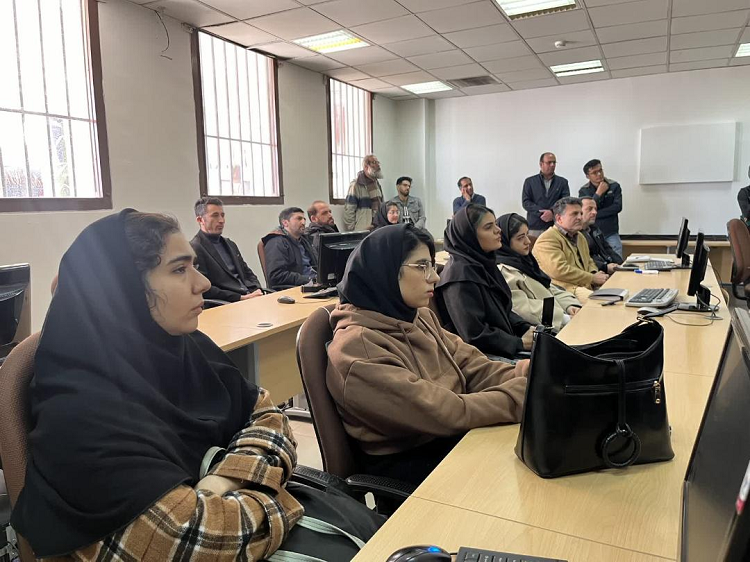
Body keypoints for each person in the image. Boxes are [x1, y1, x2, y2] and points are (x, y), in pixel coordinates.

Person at [10, 210, 383, 559]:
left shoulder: (182, 348)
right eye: (179, 269)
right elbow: (198, 541)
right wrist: (273, 488)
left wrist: (223, 481)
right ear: (122, 289)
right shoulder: (80, 417)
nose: (202, 283)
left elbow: (269, 416)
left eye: (195, 265)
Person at [326, 224, 528, 486]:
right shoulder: (356, 349)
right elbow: (446, 412)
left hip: (450, 438)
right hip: (414, 466)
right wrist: (520, 396)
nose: (435, 277)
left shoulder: (417, 316)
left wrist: (526, 373)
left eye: (431, 265)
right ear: (386, 271)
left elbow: (471, 365)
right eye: (422, 266)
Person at [436, 204, 536, 361]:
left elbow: (502, 310)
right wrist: (519, 343)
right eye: (489, 227)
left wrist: (524, 327)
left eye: (495, 224)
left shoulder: (483, 264)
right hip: (483, 358)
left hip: (502, 347)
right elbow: (474, 335)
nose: (498, 230)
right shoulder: (459, 276)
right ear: (469, 235)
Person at [496, 213, 581, 332]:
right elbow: (523, 308)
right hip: (545, 328)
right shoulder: (504, 271)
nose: (527, 241)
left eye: (527, 234)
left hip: (561, 319)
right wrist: (563, 318)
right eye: (520, 238)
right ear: (505, 241)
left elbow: (549, 288)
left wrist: (570, 306)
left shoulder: (526, 261)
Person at [532, 197, 608, 303]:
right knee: (603, 303)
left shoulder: (580, 236)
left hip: (584, 285)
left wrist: (595, 274)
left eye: (581, 213)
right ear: (559, 218)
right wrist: (592, 278)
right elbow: (559, 270)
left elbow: (589, 261)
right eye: (574, 214)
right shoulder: (547, 239)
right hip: (564, 290)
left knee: (619, 293)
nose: (580, 217)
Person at [190, 197, 263, 302]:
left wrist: (258, 290)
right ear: (200, 220)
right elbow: (203, 288)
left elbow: (247, 273)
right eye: (215, 215)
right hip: (227, 302)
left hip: (249, 297)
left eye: (222, 215)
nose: (221, 220)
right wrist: (240, 298)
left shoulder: (230, 244)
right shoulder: (195, 248)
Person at [262, 207, 318, 290]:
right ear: (285, 223)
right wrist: (308, 279)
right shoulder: (276, 242)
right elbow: (276, 275)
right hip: (297, 288)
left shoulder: (304, 241)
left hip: (313, 284)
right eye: (299, 219)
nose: (303, 222)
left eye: (304, 219)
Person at [578, 159, 623, 256]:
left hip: (610, 231)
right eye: (594, 173)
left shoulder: (614, 186)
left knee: (617, 258)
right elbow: (586, 211)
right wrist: (598, 193)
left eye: (600, 170)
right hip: (593, 232)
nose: (599, 174)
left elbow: (617, 207)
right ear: (587, 176)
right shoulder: (584, 190)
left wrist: (596, 213)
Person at [522, 152, 570, 237]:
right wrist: (542, 213)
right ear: (541, 164)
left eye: (554, 162)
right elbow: (526, 202)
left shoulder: (562, 182)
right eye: (549, 162)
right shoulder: (530, 182)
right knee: (534, 245)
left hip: (556, 225)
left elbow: (565, 201)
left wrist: (552, 212)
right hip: (535, 226)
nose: (552, 165)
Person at [580, 197, 623, 274]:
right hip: (596, 273)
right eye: (589, 209)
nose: (595, 212)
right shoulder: (575, 234)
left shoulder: (595, 229)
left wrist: (622, 264)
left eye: (595, 209)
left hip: (607, 268)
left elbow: (607, 249)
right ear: (578, 212)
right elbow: (586, 259)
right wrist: (605, 267)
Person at [343, 154, 384, 231]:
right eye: (374, 162)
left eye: (378, 162)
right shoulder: (356, 185)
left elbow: (381, 206)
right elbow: (349, 209)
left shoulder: (377, 184)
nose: (378, 165)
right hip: (363, 229)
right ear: (366, 167)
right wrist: (354, 229)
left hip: (377, 228)